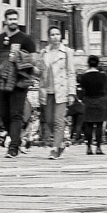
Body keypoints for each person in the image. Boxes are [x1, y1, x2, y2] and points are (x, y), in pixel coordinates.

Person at [0, 10, 37, 158]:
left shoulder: (26, 39)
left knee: (16, 114)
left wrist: (21, 58)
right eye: (10, 19)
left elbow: (34, 61)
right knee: (3, 113)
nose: (13, 21)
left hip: (19, 82)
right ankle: (17, 139)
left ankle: (13, 147)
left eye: (15, 19)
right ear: (5, 20)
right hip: (1, 81)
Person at [37, 26, 75, 158]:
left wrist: (71, 92)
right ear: (48, 37)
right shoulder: (43, 53)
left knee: (59, 120)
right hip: (46, 90)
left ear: (61, 36)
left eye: (57, 34)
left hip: (61, 90)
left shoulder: (67, 52)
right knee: (48, 120)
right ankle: (61, 142)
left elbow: (71, 72)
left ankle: (55, 148)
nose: (55, 37)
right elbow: (39, 71)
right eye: (52, 34)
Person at [77, 55, 107, 154]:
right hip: (100, 101)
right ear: (98, 63)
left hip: (88, 101)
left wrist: (83, 100)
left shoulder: (84, 77)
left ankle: (88, 147)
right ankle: (99, 147)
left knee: (88, 125)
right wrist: (105, 100)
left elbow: (81, 91)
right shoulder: (102, 76)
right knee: (99, 125)